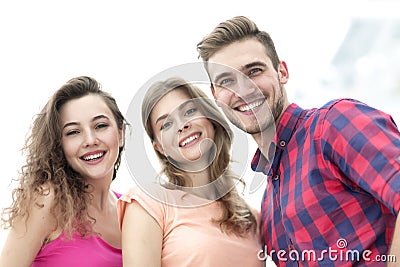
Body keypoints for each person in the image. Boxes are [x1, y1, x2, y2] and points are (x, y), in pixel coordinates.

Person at [197, 16, 400, 266]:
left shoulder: (333, 124)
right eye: (227, 81)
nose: (244, 89)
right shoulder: (269, 208)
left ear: (282, 72)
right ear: (216, 95)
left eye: (254, 71)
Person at [117, 77, 264, 266]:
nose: (182, 125)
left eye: (189, 111)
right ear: (159, 147)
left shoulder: (252, 218)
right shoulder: (148, 204)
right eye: (166, 125)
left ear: (210, 119)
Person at [0, 76, 127, 266]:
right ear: (59, 145)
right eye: (73, 132)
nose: (90, 140)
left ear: (121, 133)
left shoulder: (130, 211)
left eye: (100, 126)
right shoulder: (46, 200)